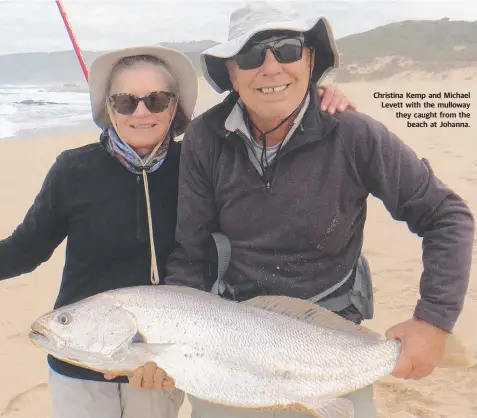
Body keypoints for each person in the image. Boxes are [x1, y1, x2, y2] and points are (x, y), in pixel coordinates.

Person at [0, 41, 354, 417]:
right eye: (125, 101)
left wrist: (307, 102)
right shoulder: (73, 170)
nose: (141, 112)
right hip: (79, 362)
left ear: (174, 107)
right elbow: (27, 248)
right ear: (109, 107)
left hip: (171, 364)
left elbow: (271, 155)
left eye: (156, 100)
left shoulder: (200, 163)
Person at [161, 2, 475, 417]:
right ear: (232, 73)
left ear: (310, 59)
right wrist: (166, 333)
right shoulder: (205, 137)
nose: (271, 68)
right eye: (252, 56)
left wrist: (433, 320)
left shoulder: (355, 134)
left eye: (287, 49)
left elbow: (446, 216)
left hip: (332, 339)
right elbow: (190, 251)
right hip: (233, 339)